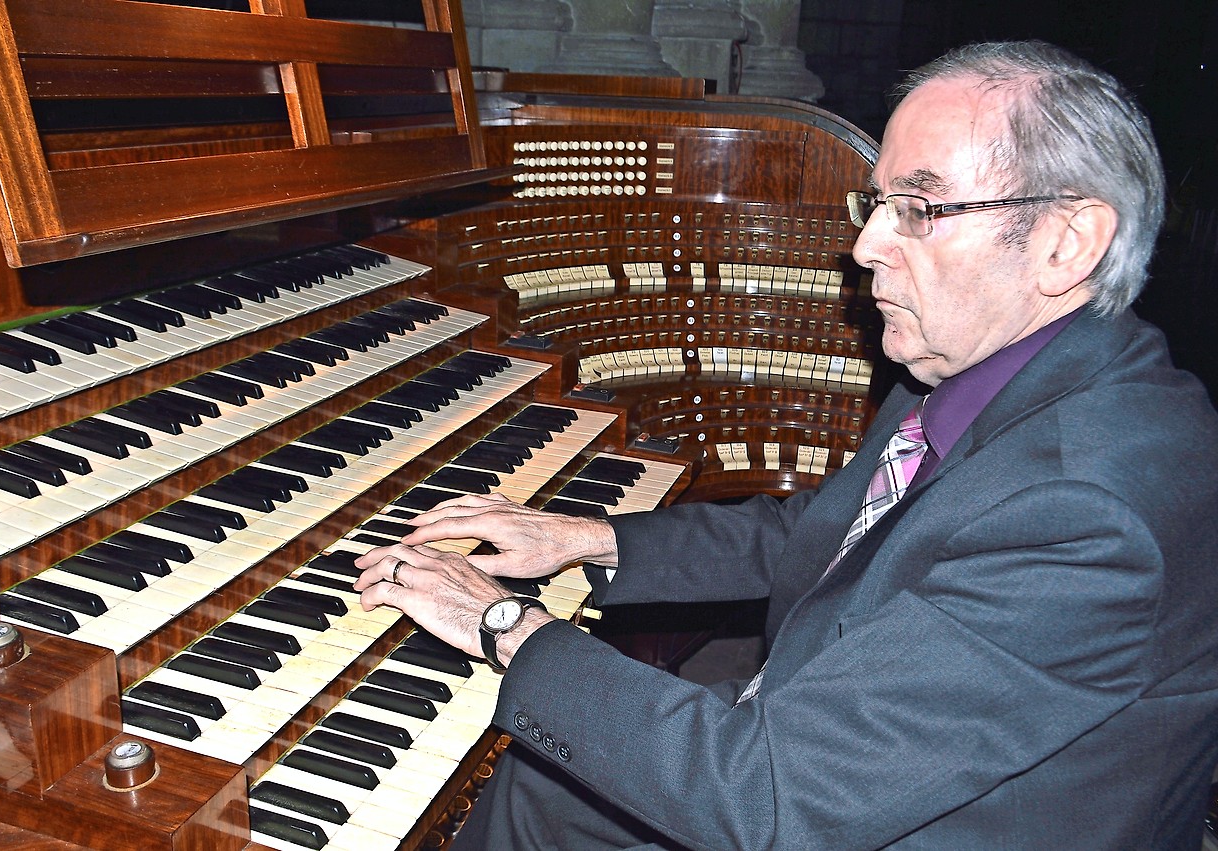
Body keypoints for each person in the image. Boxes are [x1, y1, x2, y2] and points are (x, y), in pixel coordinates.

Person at [353, 40, 1218, 849]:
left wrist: (501, 621)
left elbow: (763, 795)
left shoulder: (1086, 510)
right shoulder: (990, 371)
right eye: (877, 203)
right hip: (849, 740)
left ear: (1066, 243)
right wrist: (590, 538)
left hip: (886, 813)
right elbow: (836, 531)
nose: (867, 245)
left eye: (918, 208)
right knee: (544, 784)